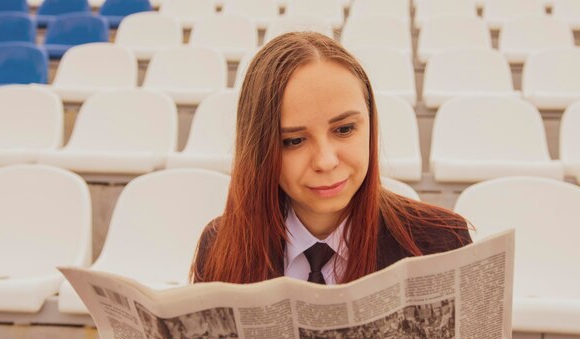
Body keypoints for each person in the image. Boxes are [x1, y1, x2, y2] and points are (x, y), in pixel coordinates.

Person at [190, 32, 471, 285]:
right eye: (294, 141)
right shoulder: (218, 245)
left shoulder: (442, 241)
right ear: (259, 150)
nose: (325, 161)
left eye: (344, 129)